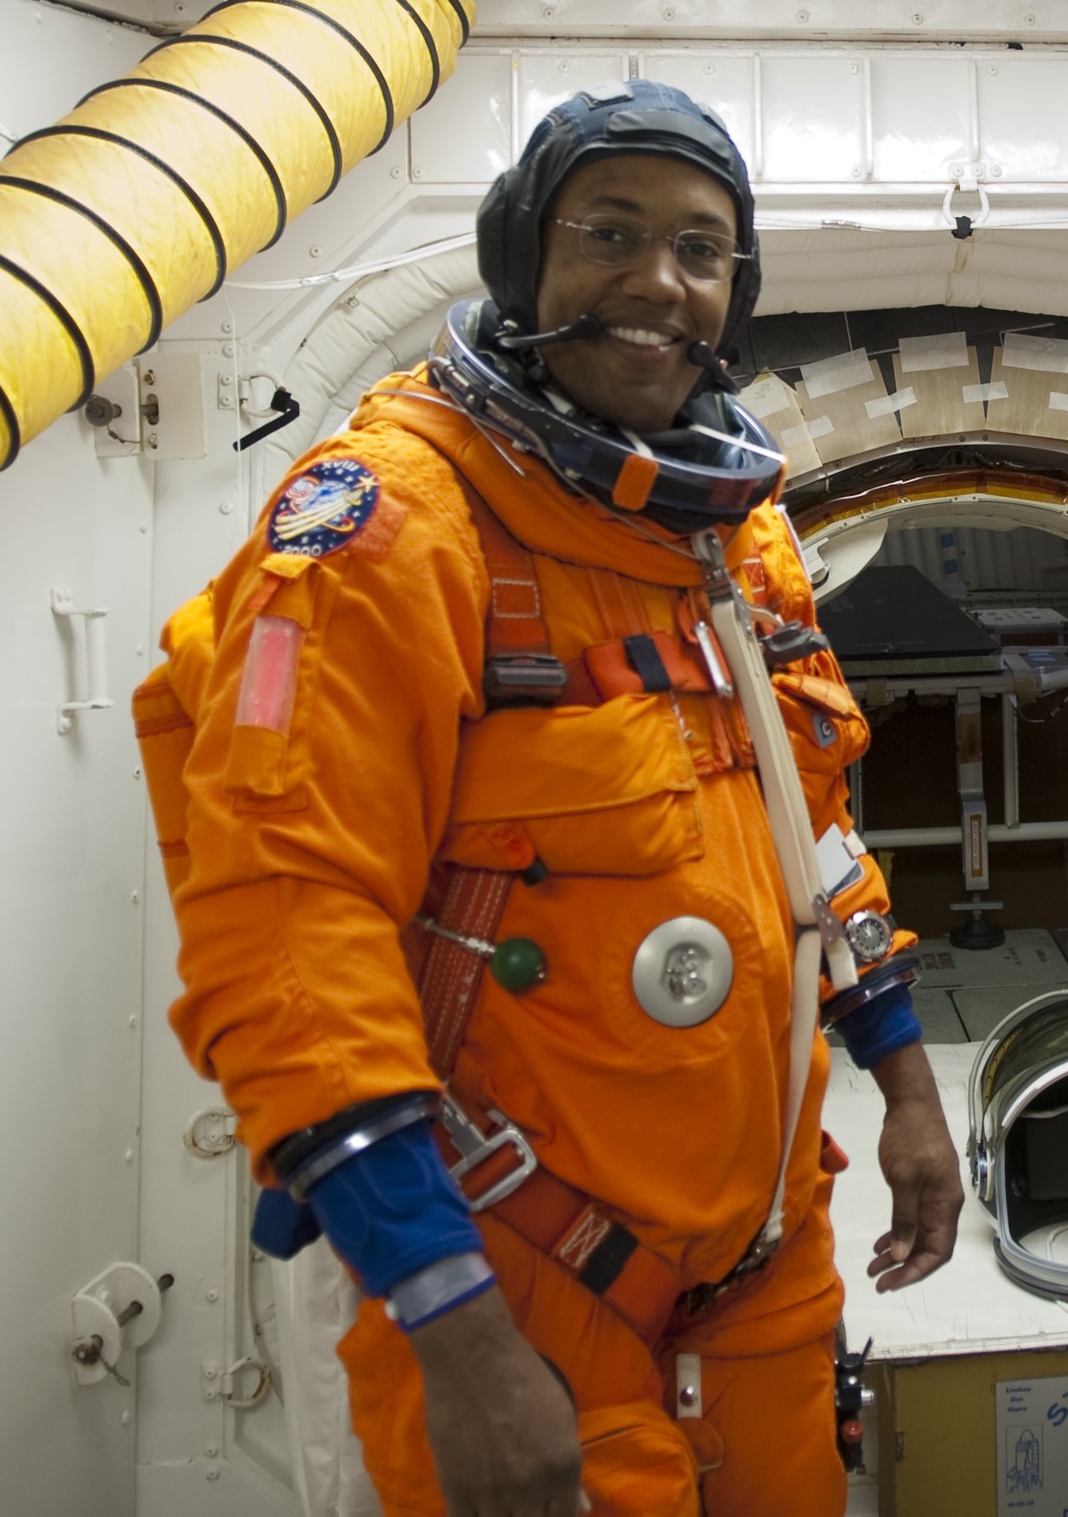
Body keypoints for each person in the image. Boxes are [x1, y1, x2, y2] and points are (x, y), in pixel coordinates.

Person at [152, 82, 962, 1517]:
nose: (659, 279)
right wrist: (452, 1328)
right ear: (523, 254)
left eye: (703, 251)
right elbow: (287, 930)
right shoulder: (390, 525)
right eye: (611, 232)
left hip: (765, 1248)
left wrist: (906, 1084)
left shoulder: (733, 531)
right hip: (516, 1277)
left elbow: (812, 826)